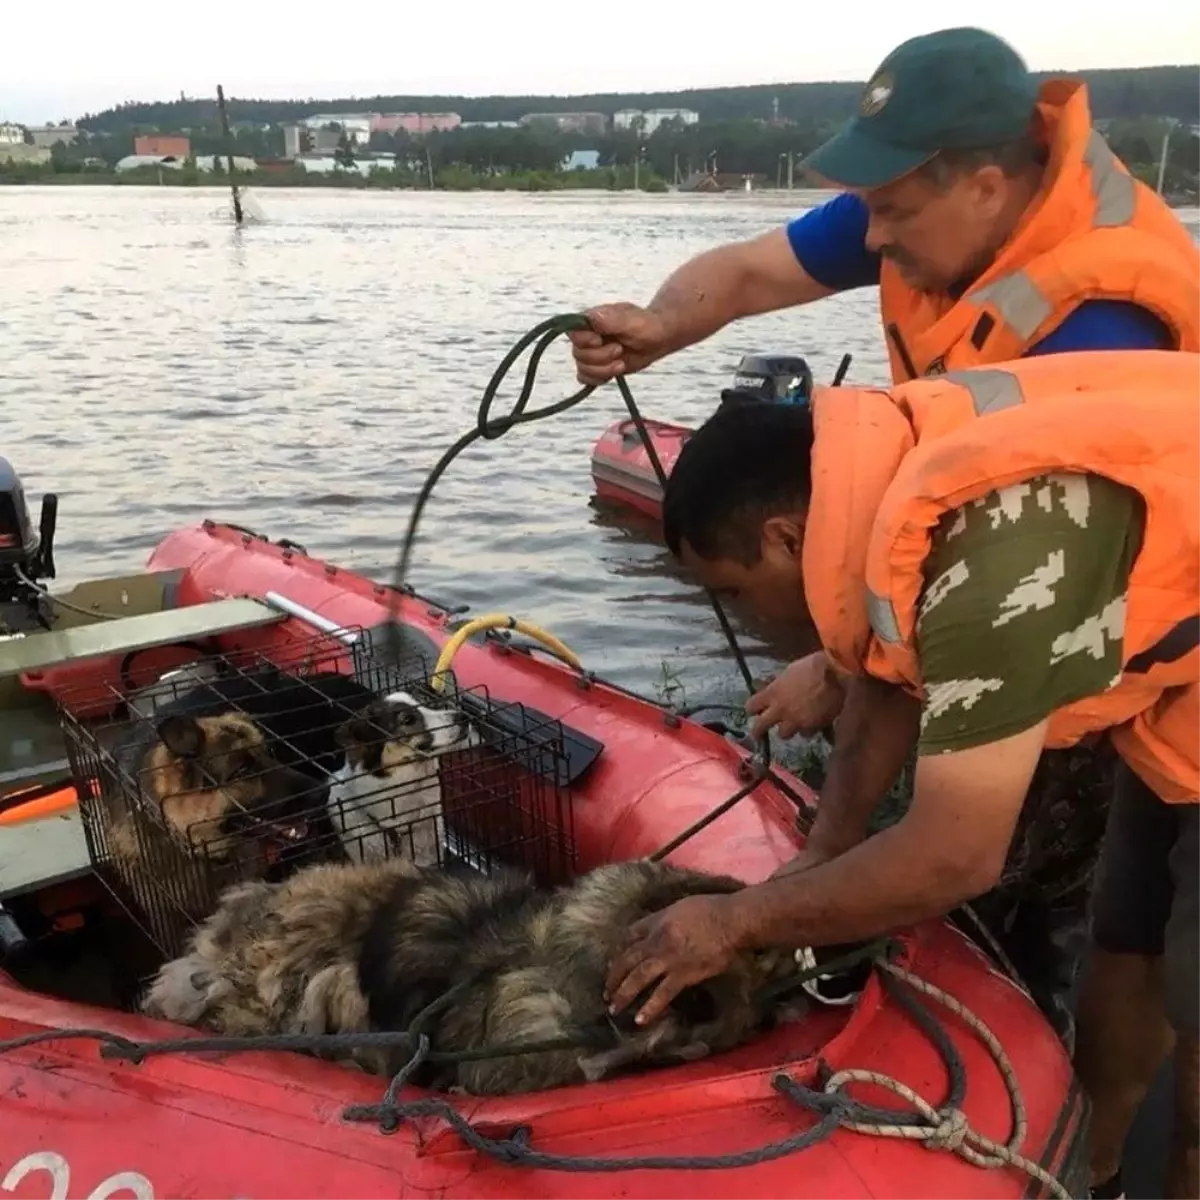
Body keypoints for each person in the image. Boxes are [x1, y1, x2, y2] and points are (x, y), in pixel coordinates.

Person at [600, 351, 1200, 1200]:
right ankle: (1091, 1170)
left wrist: (736, 924)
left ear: (785, 538)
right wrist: (827, 848)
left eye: (736, 592)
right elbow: (888, 668)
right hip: (1173, 702)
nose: (746, 616)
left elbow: (956, 857)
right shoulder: (882, 469)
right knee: (1126, 939)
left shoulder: (997, 564)